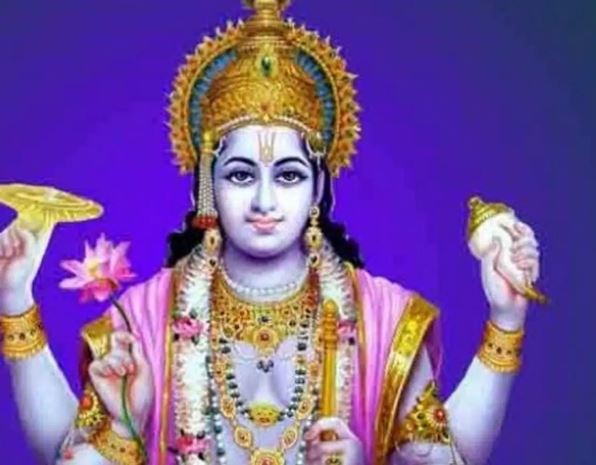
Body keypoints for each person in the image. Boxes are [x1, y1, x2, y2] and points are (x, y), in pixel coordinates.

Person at [0, 1, 542, 464]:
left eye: (288, 175)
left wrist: (506, 318)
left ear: (318, 187)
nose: (264, 202)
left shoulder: (382, 318)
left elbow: (444, 457)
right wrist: (17, 302)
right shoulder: (142, 321)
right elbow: (65, 455)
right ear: (207, 186)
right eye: (241, 175)